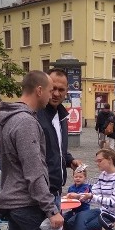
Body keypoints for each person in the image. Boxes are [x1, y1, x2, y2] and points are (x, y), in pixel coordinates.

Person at [0, 70, 63, 230]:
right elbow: (34, 171)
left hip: (14, 205)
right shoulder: (26, 122)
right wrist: (51, 209)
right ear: (39, 90)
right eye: (50, 91)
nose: (52, 96)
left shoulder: (7, 118)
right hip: (28, 206)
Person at [36, 68, 82, 203]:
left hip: (56, 191)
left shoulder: (61, 115)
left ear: (67, 91)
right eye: (53, 88)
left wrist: (69, 160)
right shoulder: (36, 115)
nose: (56, 94)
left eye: (61, 90)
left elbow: (55, 147)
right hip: (40, 195)